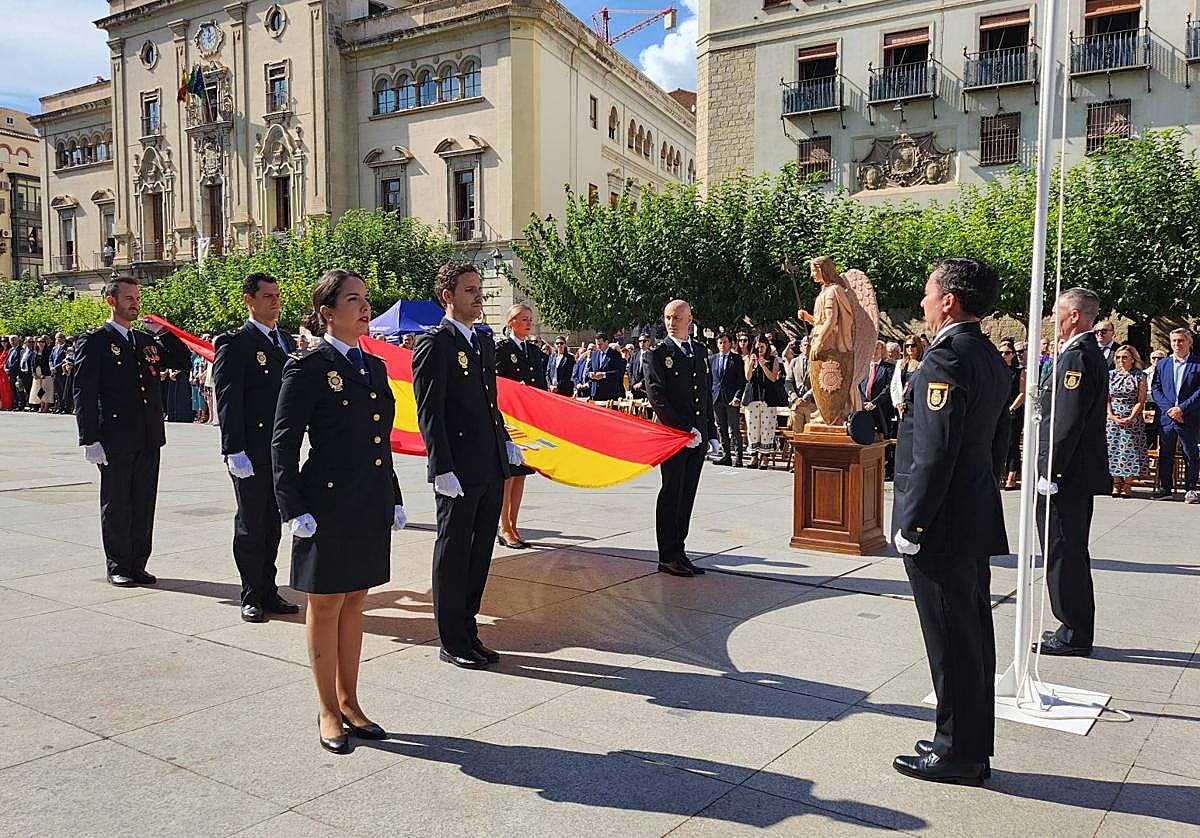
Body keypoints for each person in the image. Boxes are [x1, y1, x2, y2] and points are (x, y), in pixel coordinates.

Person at [272, 268, 406, 754]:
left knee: (355, 600)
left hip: (367, 499)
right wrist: (292, 507)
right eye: (353, 300)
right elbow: (283, 444)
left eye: (365, 298)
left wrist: (392, 494)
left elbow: (380, 441)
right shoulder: (308, 367)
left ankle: (350, 701)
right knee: (326, 603)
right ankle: (327, 708)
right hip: (325, 503)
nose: (365, 307)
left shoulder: (374, 366)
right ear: (327, 312)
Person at [891, 257, 1010, 786]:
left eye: (927, 292)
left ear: (949, 301)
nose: (922, 302)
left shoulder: (946, 359)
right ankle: (967, 742)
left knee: (950, 640)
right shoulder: (987, 355)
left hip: (940, 524)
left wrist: (913, 523)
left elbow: (934, 453)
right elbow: (999, 440)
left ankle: (957, 753)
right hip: (970, 512)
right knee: (971, 634)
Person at [412, 263, 523, 669]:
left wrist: (504, 441)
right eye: (470, 290)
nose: (478, 296)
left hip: (489, 464)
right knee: (454, 552)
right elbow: (430, 412)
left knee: (479, 554)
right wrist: (440, 467)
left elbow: (489, 401)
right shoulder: (435, 343)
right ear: (448, 296)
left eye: (479, 289)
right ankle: (452, 639)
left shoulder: (482, 340)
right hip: (457, 469)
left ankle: (469, 629)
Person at [73, 275, 190, 587]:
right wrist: (89, 438)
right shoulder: (95, 341)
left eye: (137, 298)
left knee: (143, 501)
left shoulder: (143, 340)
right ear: (111, 301)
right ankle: (118, 565)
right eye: (128, 298)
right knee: (118, 502)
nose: (135, 304)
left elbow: (181, 360)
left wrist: (163, 332)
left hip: (148, 434)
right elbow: (84, 391)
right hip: (115, 436)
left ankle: (138, 563)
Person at [214, 272, 300, 623]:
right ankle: (250, 594)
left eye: (277, 295)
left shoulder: (284, 341)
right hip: (250, 449)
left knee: (272, 522)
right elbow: (228, 400)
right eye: (267, 296)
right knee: (251, 524)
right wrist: (233, 449)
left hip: (279, 449)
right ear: (249, 300)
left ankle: (268, 588)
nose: (275, 302)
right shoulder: (235, 343)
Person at [1033, 287, 1110, 658]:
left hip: (1066, 476)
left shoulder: (1077, 357)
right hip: (1072, 473)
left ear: (1075, 315)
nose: (1053, 319)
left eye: (1057, 312)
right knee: (1068, 549)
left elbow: (1067, 421)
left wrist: (1051, 471)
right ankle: (1073, 625)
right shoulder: (1082, 353)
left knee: (1063, 551)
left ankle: (1073, 633)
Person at [644, 299, 715, 577]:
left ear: (690, 319)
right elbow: (657, 397)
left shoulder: (699, 351)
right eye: (668, 317)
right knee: (672, 493)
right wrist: (684, 430)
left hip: (698, 437)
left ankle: (680, 550)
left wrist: (710, 431)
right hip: (675, 436)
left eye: (677, 317)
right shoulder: (658, 354)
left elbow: (705, 393)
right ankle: (667, 555)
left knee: (687, 495)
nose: (671, 322)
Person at [494, 303, 547, 550]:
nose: (528, 323)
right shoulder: (502, 349)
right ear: (511, 321)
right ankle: (503, 525)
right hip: (509, 420)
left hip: (528, 421)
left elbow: (541, 385)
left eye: (530, 319)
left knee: (521, 473)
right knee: (509, 474)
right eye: (523, 319)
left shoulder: (533, 351)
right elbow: (496, 383)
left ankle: (513, 524)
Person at [1150, 328, 1200, 503]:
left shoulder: (1197, 364)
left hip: (1188, 416)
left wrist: (1182, 409)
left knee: (1190, 453)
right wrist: (1170, 409)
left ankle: (1191, 489)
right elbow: (1156, 388)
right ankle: (1166, 488)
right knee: (1166, 453)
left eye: (1181, 340)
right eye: (1174, 341)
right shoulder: (1163, 364)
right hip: (1167, 417)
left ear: (1189, 342)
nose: (1177, 344)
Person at [1106, 344, 1149, 498]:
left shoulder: (1140, 376)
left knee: (1129, 450)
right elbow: (1106, 398)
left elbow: (1141, 400)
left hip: (1132, 417)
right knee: (1113, 450)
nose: (1121, 360)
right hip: (1113, 418)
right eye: (1118, 357)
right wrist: (1111, 416)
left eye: (1125, 357)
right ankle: (1116, 483)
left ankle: (1127, 484)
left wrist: (1131, 417)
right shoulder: (1111, 375)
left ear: (1132, 359)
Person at [741, 335, 783, 468]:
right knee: (752, 427)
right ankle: (753, 455)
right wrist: (752, 364)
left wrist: (763, 365)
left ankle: (765, 456)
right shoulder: (749, 358)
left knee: (767, 427)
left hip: (768, 397)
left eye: (762, 347)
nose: (759, 349)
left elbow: (773, 378)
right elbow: (748, 377)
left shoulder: (773, 360)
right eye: (757, 347)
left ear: (767, 346)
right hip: (753, 396)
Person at [709, 333, 745, 467]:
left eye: (725, 342)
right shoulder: (712, 359)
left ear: (730, 344)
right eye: (720, 342)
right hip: (717, 398)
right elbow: (710, 380)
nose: (722, 345)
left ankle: (738, 457)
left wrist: (737, 396)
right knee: (721, 428)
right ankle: (726, 456)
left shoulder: (736, 359)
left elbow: (741, 381)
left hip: (731, 399)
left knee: (734, 428)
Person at [999, 338, 1026, 490]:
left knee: (1012, 443)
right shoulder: (997, 370)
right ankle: (1001, 474)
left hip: (1013, 410)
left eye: (1007, 353)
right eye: (1001, 352)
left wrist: (1012, 408)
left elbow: (1022, 393)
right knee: (999, 442)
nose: (1003, 355)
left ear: (1013, 354)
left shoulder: (1019, 371)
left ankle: (1012, 476)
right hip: (999, 410)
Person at [860, 340, 894, 439]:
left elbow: (888, 387)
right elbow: (858, 386)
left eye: (877, 348)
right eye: (872, 348)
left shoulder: (889, 367)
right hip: (864, 408)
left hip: (881, 409)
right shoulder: (863, 367)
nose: (874, 351)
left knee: (883, 438)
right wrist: (863, 402)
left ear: (882, 350)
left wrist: (874, 403)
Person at [890, 335, 924, 420]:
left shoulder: (923, 363)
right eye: (907, 345)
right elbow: (894, 385)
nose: (909, 348)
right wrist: (897, 404)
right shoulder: (900, 363)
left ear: (918, 346)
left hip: (918, 405)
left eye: (913, 345)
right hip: (903, 406)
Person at [587, 332, 626, 402]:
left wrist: (604, 375)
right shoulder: (594, 354)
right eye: (597, 344)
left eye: (600, 344)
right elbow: (589, 370)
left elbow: (619, 372)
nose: (598, 346)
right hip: (596, 392)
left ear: (606, 342)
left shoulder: (615, 355)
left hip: (609, 393)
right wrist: (591, 375)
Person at [1144, 348, 1168, 451]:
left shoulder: (1169, 373)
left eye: (1160, 358)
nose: (1156, 360)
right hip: (1147, 405)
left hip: (1163, 405)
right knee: (1149, 431)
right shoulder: (1144, 373)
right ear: (1150, 360)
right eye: (1154, 358)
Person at [28, 336, 53, 413]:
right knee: (39, 390)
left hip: (46, 374)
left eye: (42, 342)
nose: (40, 343)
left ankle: (46, 406)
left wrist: (44, 374)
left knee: (46, 390)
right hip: (37, 374)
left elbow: (48, 363)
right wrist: (34, 374)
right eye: (39, 342)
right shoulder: (35, 352)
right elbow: (32, 364)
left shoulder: (48, 352)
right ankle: (41, 405)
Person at [49, 333, 69, 413]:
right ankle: (59, 406)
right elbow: (50, 359)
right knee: (58, 391)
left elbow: (65, 360)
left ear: (64, 338)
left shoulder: (67, 348)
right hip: (54, 373)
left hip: (61, 372)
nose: (59, 339)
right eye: (57, 338)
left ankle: (66, 407)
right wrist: (51, 367)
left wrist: (56, 367)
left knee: (63, 390)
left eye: (61, 337)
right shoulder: (55, 348)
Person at [629, 333, 652, 397]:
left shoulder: (652, 355)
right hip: (635, 389)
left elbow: (652, 373)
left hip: (646, 389)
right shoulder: (635, 355)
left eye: (644, 341)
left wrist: (641, 383)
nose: (642, 343)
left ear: (649, 342)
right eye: (640, 341)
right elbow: (630, 371)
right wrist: (633, 383)